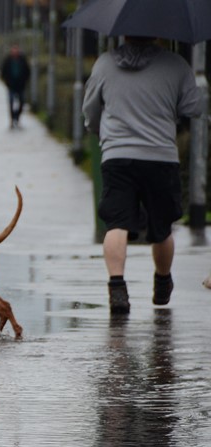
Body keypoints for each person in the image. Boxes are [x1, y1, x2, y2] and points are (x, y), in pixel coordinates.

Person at [82, 36, 204, 315]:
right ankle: (162, 281)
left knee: (117, 223)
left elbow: (90, 110)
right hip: (160, 157)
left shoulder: (104, 64)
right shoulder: (176, 64)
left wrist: (100, 130)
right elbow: (193, 108)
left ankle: (116, 287)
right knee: (161, 227)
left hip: (117, 156)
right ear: (158, 34)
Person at [0, 44, 31, 128]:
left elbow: (27, 71)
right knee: (11, 103)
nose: (15, 52)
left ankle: (16, 117)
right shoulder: (8, 60)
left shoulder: (22, 60)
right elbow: (3, 71)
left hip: (21, 85)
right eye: (13, 51)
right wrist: (6, 81)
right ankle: (12, 120)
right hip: (11, 86)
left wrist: (25, 80)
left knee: (22, 103)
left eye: (16, 51)